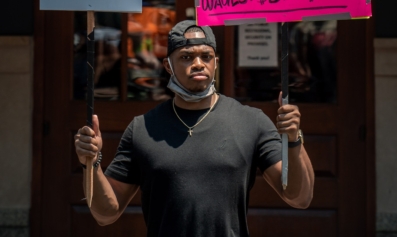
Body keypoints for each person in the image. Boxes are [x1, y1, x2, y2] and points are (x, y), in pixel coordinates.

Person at [74, 20, 314, 237]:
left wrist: (293, 140)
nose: (198, 64)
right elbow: (106, 214)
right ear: (168, 66)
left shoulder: (251, 121)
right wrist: (91, 163)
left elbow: (299, 197)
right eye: (186, 57)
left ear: (216, 63)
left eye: (206, 57)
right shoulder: (143, 128)